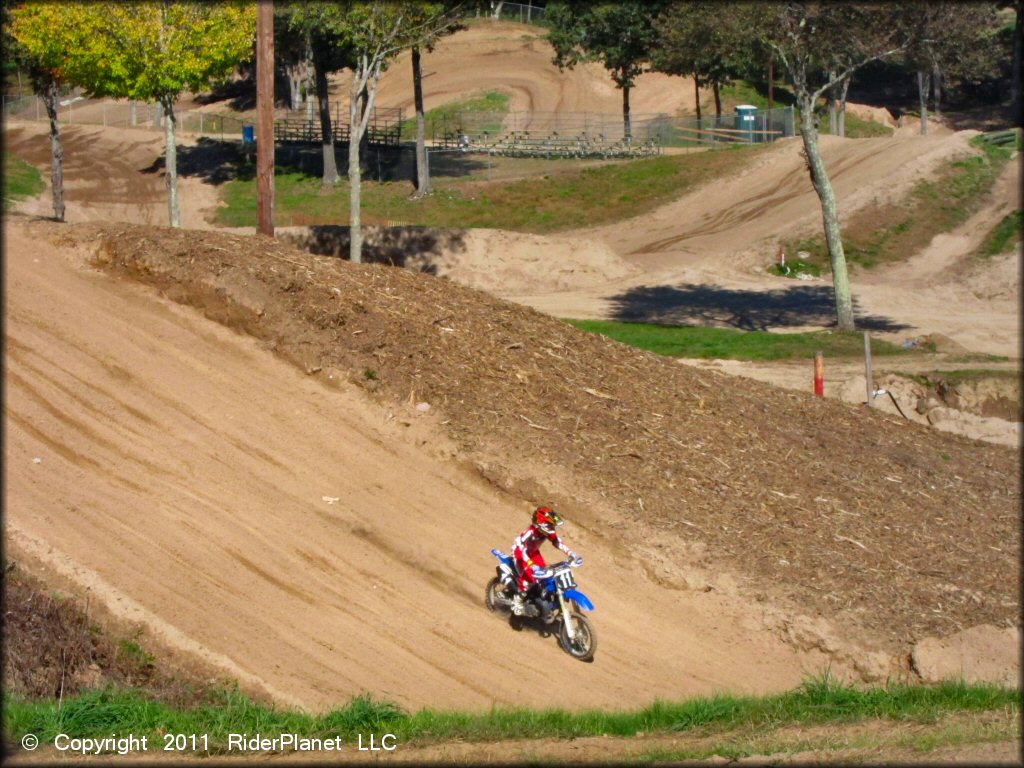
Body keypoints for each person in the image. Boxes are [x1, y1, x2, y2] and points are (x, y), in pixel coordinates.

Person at [510, 506, 582, 619]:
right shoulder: (530, 532)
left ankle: (540, 601)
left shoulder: (545, 531)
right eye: (550, 525)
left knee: (546, 576)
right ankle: (517, 602)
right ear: (541, 523)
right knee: (528, 579)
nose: (552, 528)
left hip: (533, 553)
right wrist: (530, 565)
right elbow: (520, 548)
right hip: (520, 555)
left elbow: (556, 541)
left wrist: (571, 553)